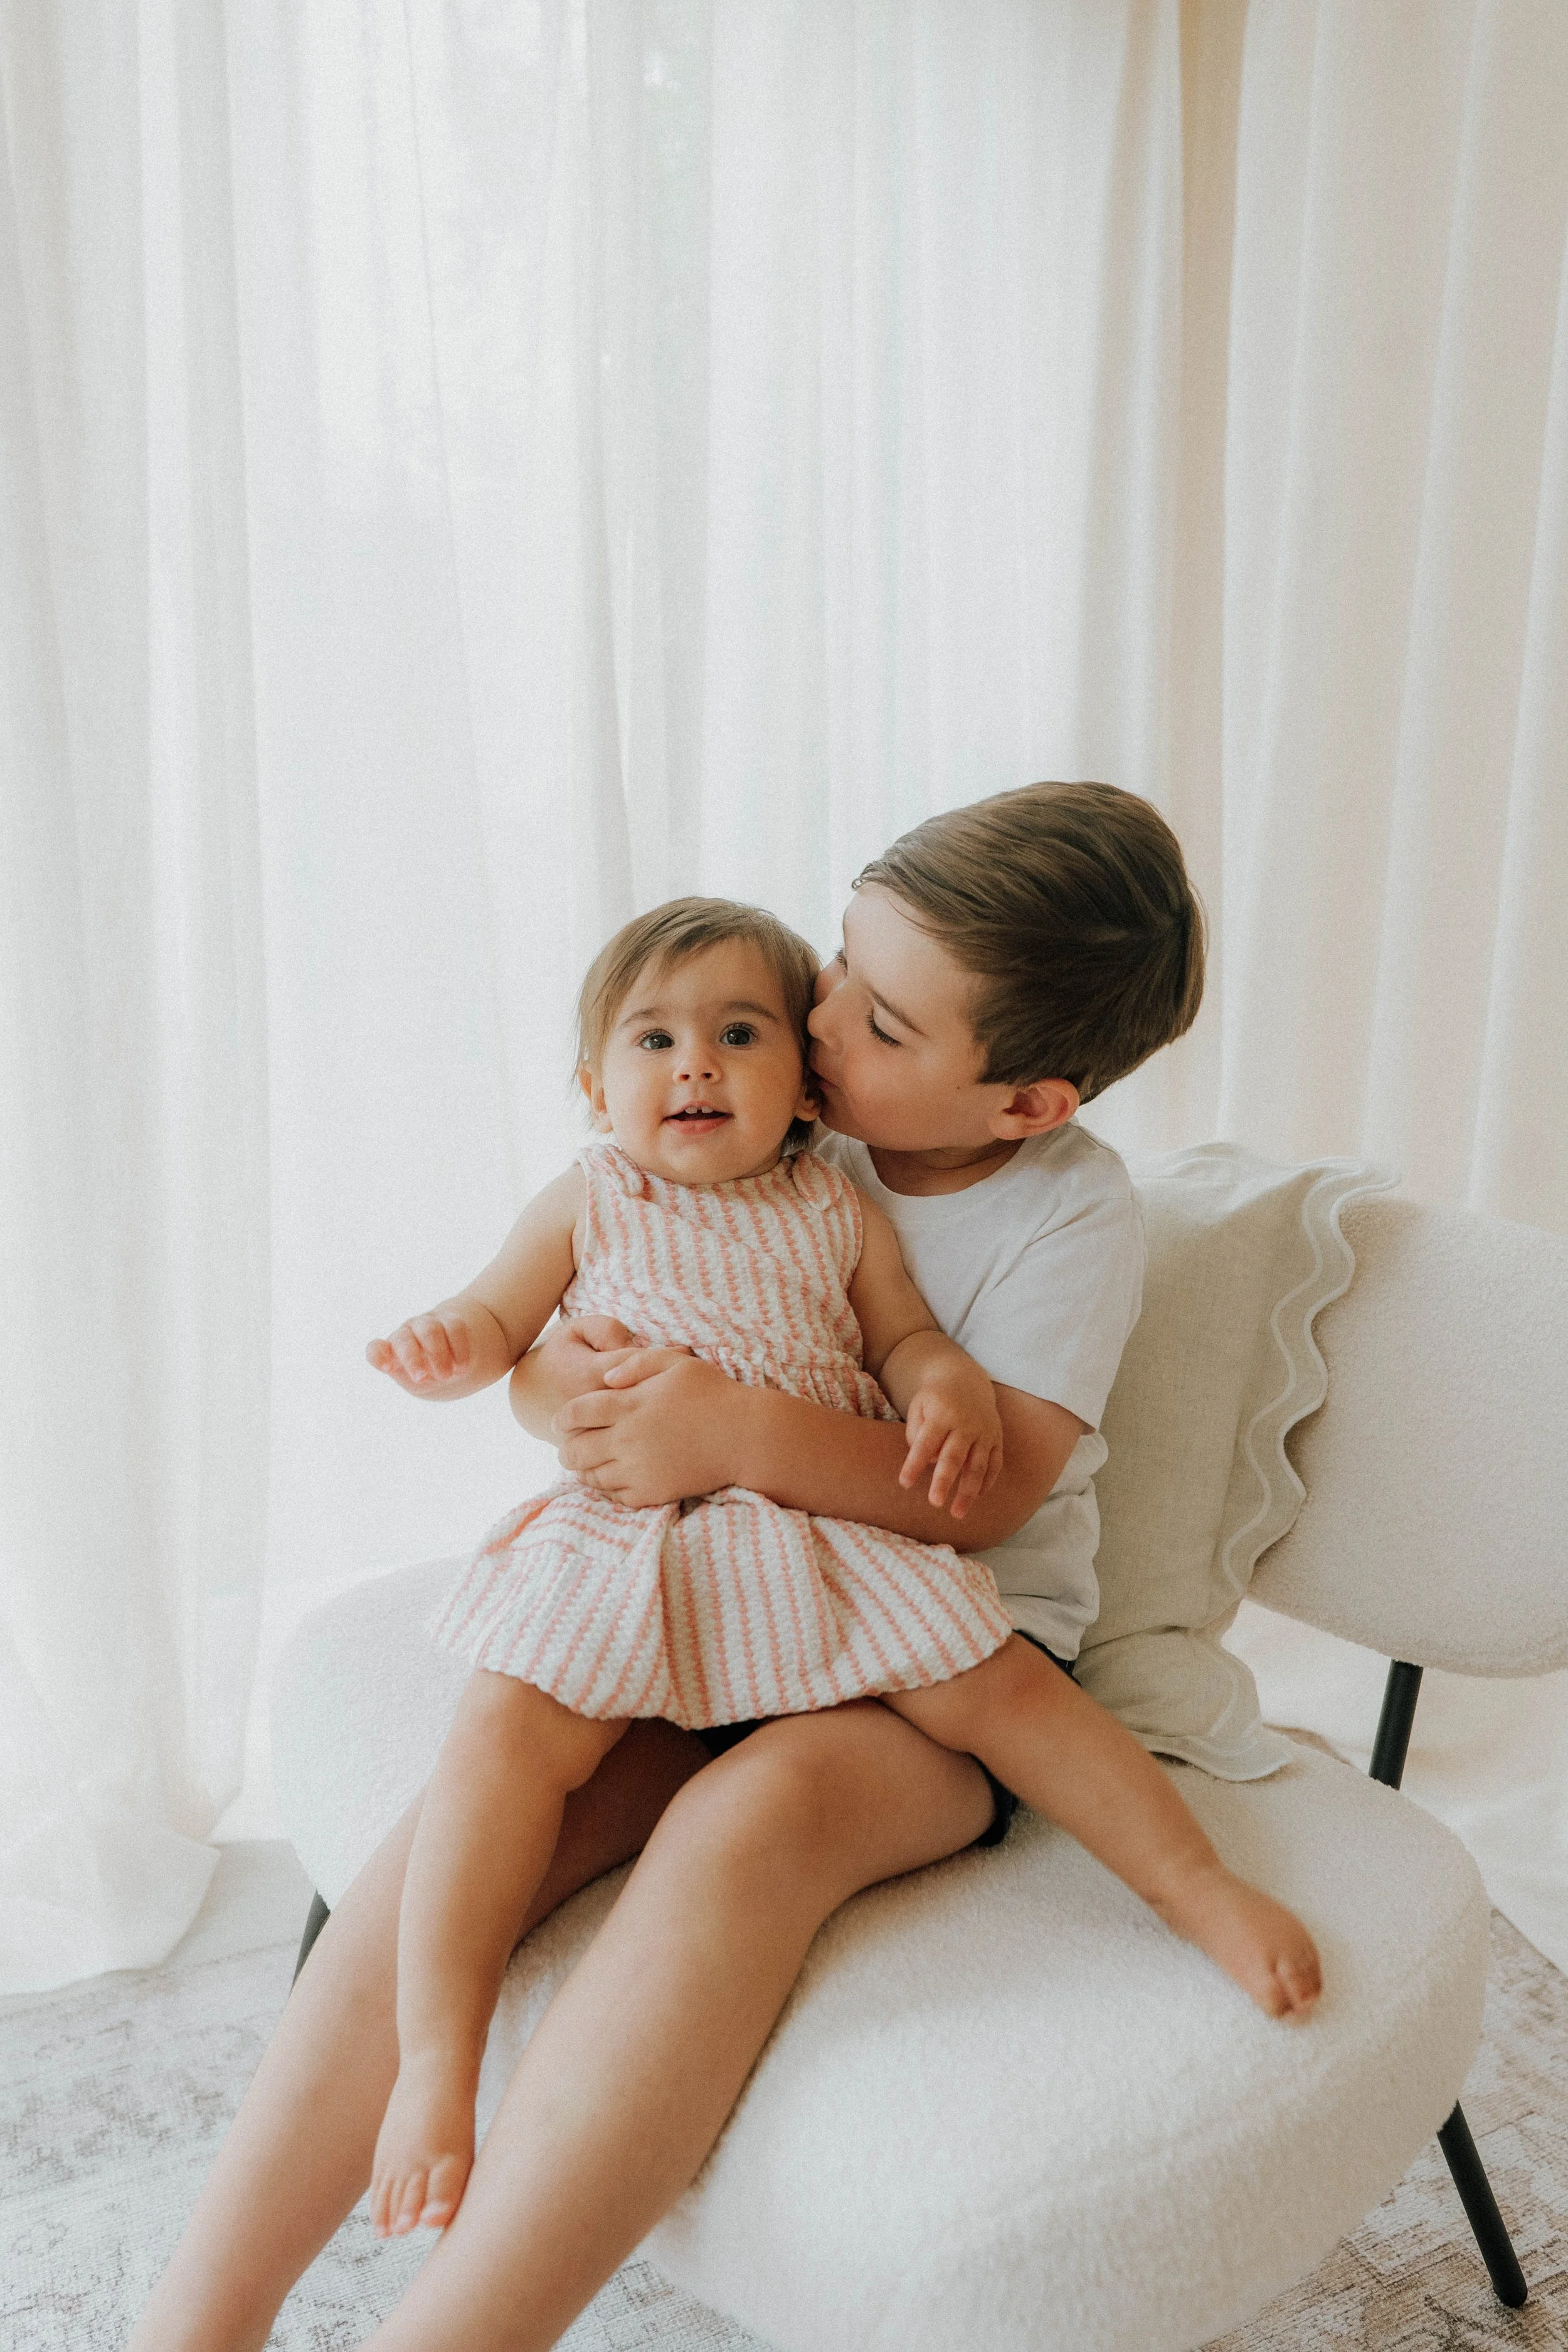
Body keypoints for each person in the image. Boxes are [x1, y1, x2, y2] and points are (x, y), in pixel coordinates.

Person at [130, 783, 1320, 2352]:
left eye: (879, 1021)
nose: (817, 1021)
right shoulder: (756, 1098)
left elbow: (982, 1501)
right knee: (473, 1822)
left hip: (916, 1650)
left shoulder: (1062, 1210)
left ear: (1023, 1101)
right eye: (833, 966)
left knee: (744, 1830)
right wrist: (565, 1394)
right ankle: (197, 2319)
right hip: (685, 1597)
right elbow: (575, 1353)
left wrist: (733, 1433)